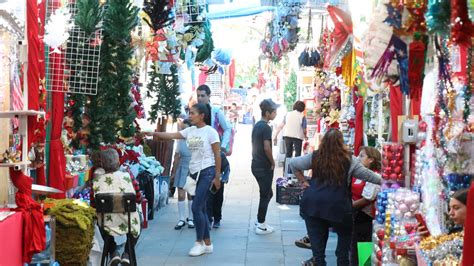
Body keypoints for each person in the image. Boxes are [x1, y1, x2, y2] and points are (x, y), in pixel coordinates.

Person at [289, 129, 382, 266]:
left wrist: (303, 181)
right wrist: (388, 182)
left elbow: (293, 164)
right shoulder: (350, 160)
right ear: (341, 143)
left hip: (314, 206)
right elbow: (369, 176)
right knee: (343, 252)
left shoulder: (315, 156)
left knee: (318, 253)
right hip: (339, 207)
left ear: (324, 142)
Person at [144, 103, 221, 257]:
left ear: (202, 116)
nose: (189, 116)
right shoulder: (190, 131)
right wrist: (152, 133)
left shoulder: (210, 132)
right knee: (202, 209)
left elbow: (218, 155)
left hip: (207, 172)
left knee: (196, 207)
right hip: (193, 173)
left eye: (192, 113)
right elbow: (172, 136)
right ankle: (207, 243)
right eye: (189, 113)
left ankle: (199, 242)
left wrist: (217, 177)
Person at [92, 149, 141, 266]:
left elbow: (93, 204)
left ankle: (113, 252)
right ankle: (127, 254)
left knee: (99, 223)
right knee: (138, 220)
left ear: (102, 165)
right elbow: (138, 197)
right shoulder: (127, 176)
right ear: (118, 163)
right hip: (128, 221)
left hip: (106, 223)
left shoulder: (97, 181)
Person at [196, 84, 232, 227]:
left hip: (216, 155)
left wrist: (222, 146)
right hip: (201, 156)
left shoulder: (216, 112)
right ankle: (207, 217)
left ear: (209, 96)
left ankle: (216, 217)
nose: (200, 98)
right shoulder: (195, 112)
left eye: (203, 95)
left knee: (217, 187)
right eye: (198, 95)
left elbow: (227, 128)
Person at [251, 99, 279, 235]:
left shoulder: (258, 125)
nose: (276, 114)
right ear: (267, 113)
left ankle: (259, 220)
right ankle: (261, 224)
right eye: (274, 112)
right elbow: (267, 147)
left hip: (256, 164)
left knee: (267, 193)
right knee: (265, 194)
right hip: (263, 166)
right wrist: (273, 162)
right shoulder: (266, 127)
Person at [350, 146, 381, 265]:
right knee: (354, 251)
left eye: (362, 156)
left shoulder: (375, 176)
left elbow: (367, 199)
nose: (358, 158)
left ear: (371, 160)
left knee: (364, 252)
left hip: (365, 218)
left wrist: (349, 207)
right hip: (355, 217)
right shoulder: (359, 174)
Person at [170, 119, 194, 230]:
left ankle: (191, 218)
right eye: (182, 129)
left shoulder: (196, 140)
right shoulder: (180, 141)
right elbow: (176, 157)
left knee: (190, 194)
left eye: (186, 129)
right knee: (180, 195)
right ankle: (181, 219)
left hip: (192, 168)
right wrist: (173, 172)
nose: (183, 131)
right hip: (182, 167)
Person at [207, 152, 230, 229]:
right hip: (206, 180)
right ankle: (208, 219)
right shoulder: (204, 153)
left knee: (218, 200)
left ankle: (217, 219)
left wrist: (224, 179)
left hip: (218, 181)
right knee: (207, 201)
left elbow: (227, 167)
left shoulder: (221, 155)